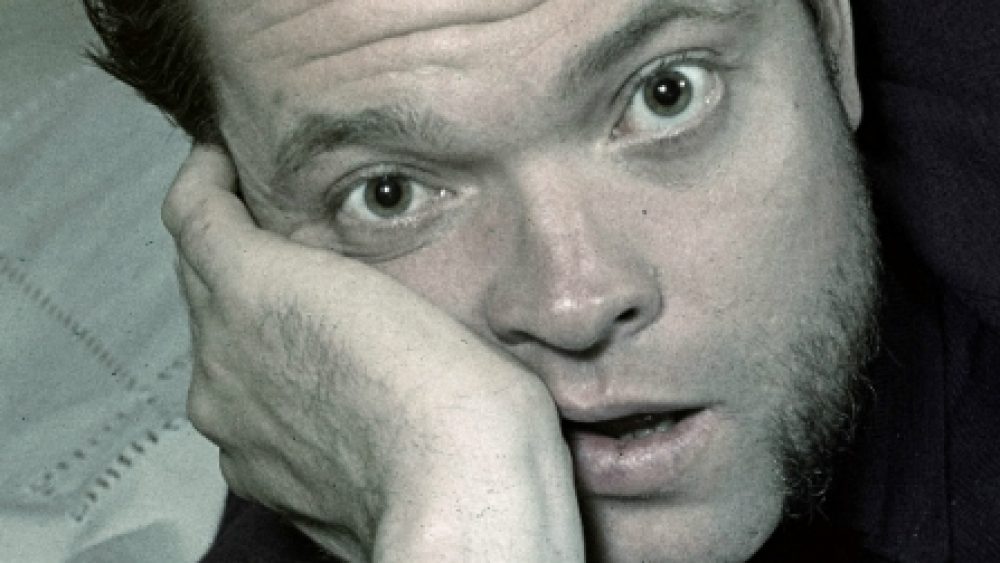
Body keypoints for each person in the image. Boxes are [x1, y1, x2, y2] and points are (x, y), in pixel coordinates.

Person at [82, 0, 1000, 560]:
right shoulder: (386, 465)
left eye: (667, 93)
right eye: (389, 193)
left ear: (832, 45)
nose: (574, 302)